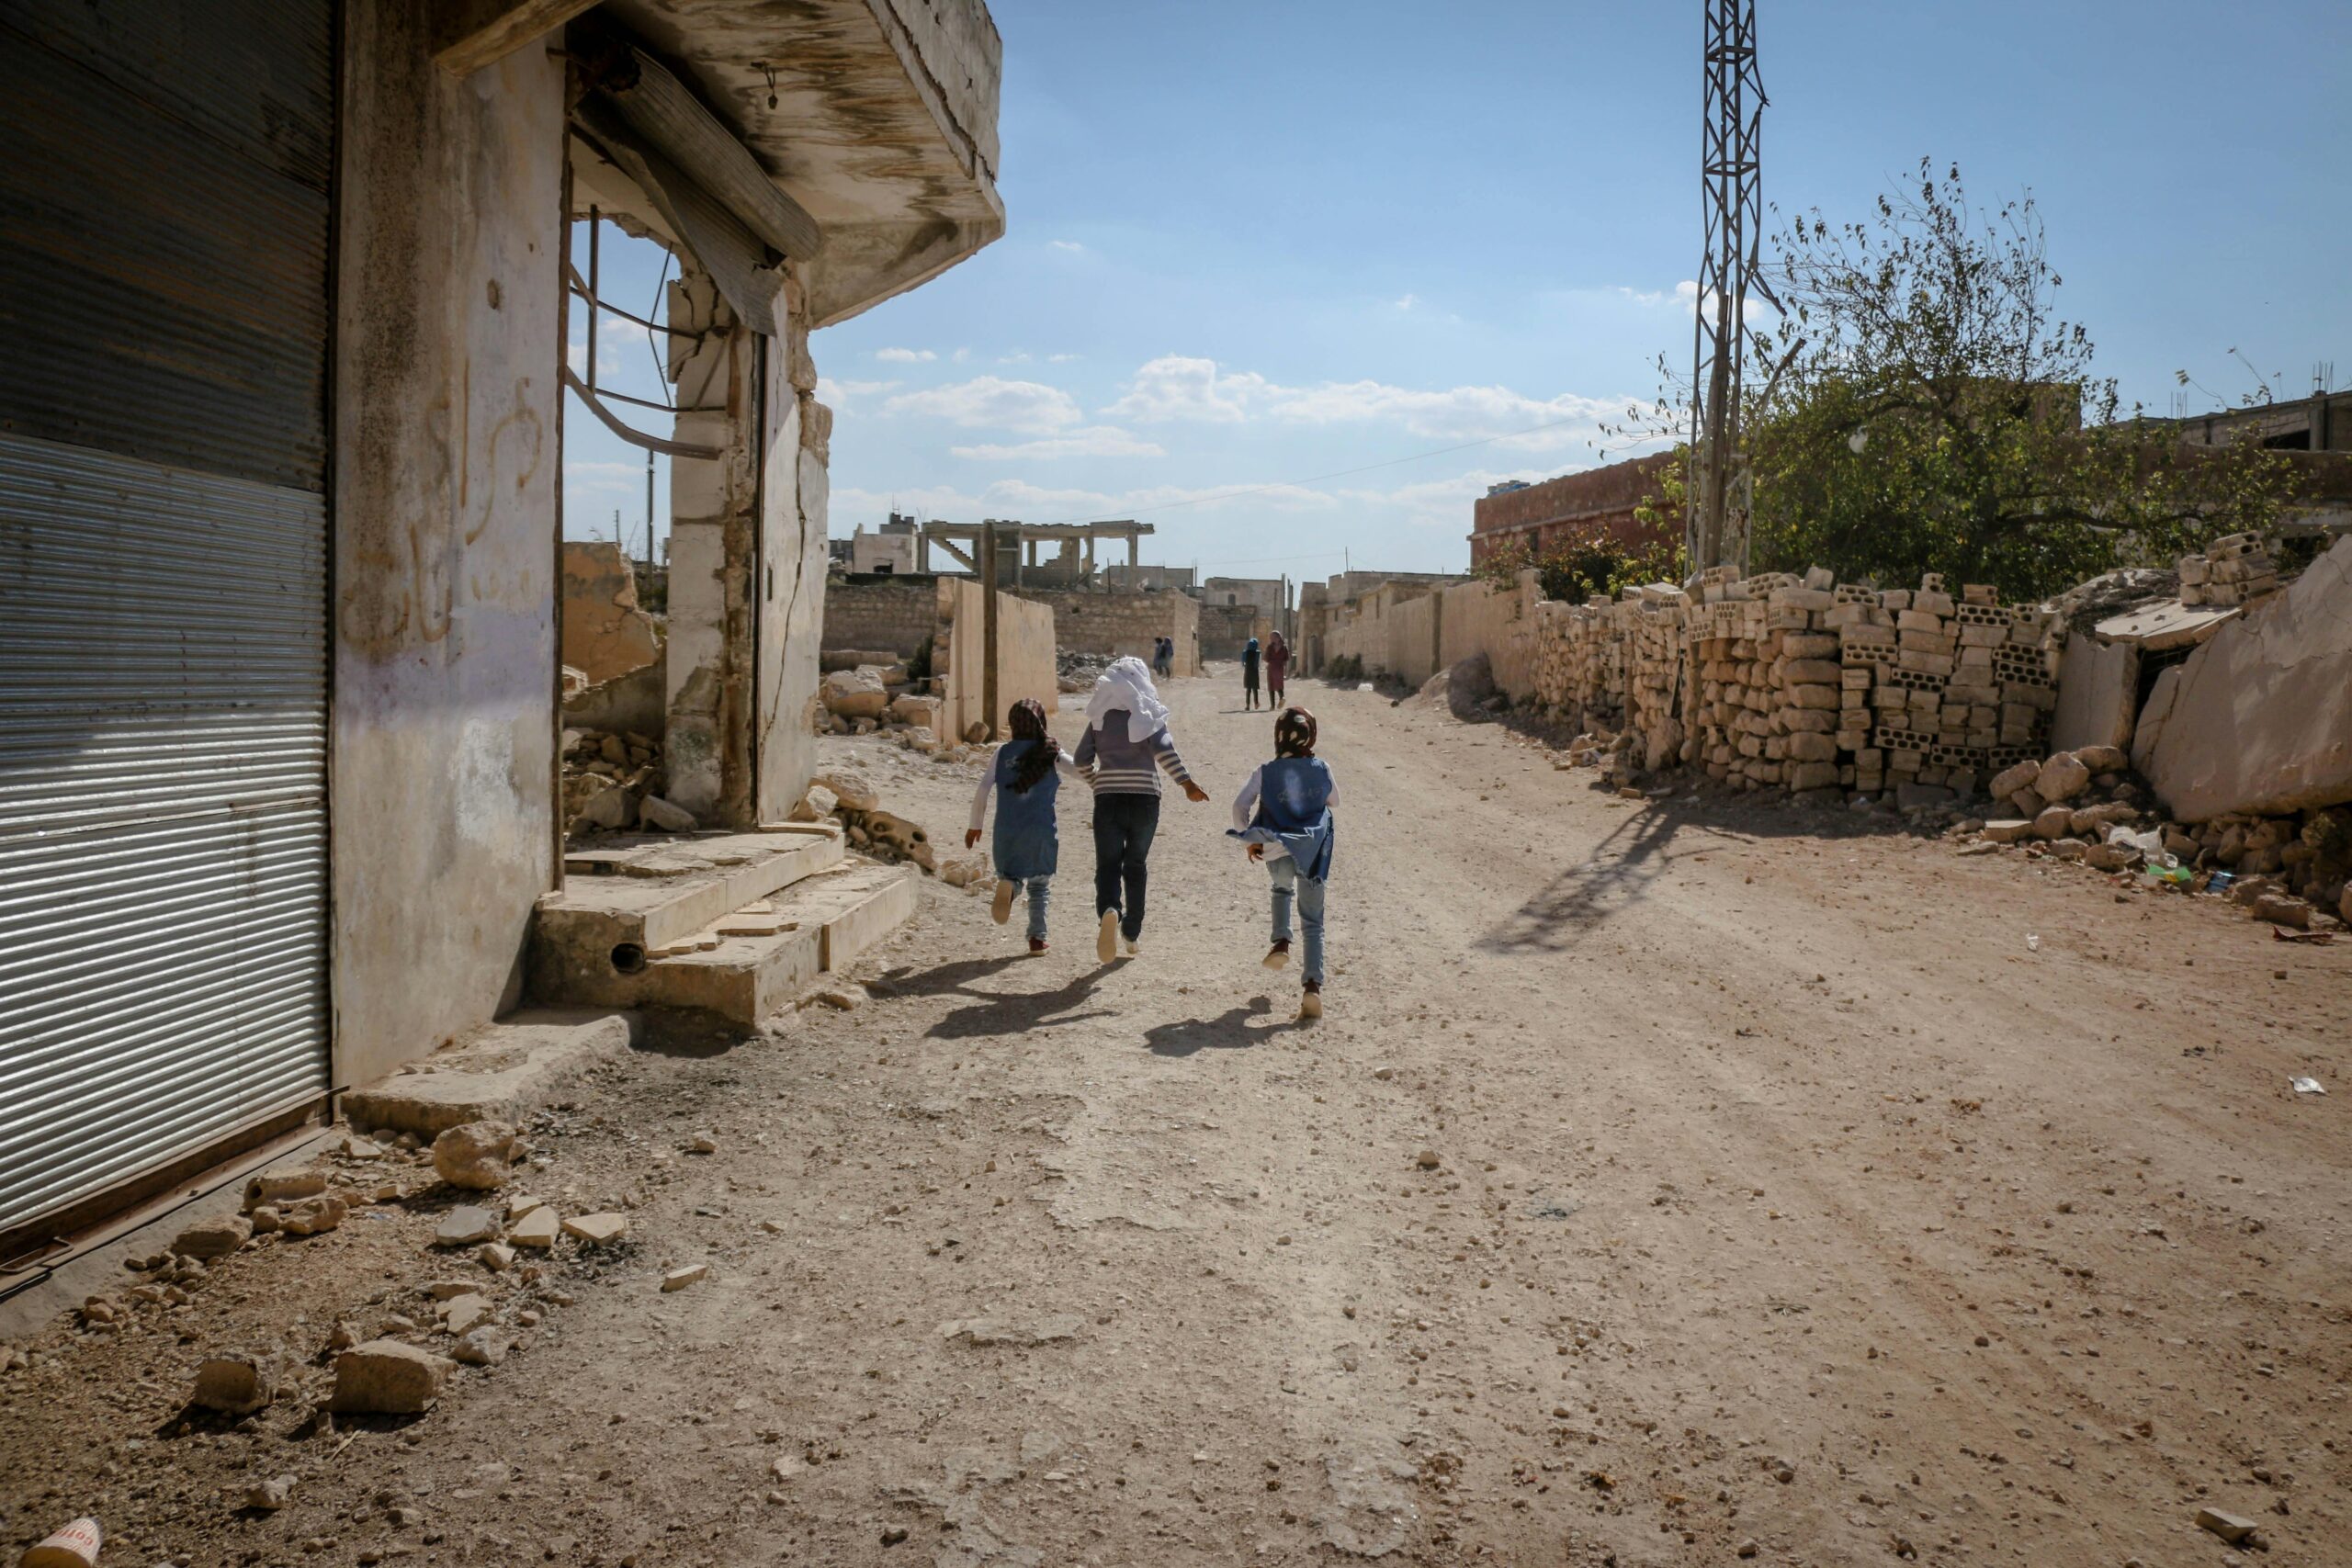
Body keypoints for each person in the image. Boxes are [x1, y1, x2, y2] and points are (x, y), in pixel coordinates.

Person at [1074, 657, 1208, 963]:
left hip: (1107, 799)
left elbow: (1082, 760)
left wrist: (1098, 782)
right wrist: (1186, 784)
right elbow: (1165, 751)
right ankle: (1131, 932)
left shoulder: (1099, 717)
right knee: (1135, 865)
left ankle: (1109, 909)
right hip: (1146, 799)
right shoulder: (1148, 715)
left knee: (1107, 864)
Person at [1229, 705, 1337, 1021]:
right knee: (1314, 921)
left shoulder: (1265, 771)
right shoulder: (1321, 767)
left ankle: (1280, 941)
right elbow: (1335, 801)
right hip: (1312, 854)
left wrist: (1251, 841)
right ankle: (1312, 987)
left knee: (1280, 889)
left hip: (1276, 850)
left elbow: (1239, 807)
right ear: (1310, 735)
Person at [965, 698, 1089, 954]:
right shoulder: (1051, 752)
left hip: (1006, 830)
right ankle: (1036, 939)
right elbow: (1080, 771)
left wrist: (975, 825)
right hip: (1040, 830)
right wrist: (1105, 778)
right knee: (1040, 885)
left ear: (1012, 724)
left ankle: (1010, 889)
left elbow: (983, 788)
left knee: (1010, 873)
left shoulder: (1002, 753)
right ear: (1040, 721)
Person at [1264, 629, 1290, 706]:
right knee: (1279, 684)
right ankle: (1282, 697)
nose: (1270, 638)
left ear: (1277, 637)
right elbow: (1286, 659)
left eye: (1271, 637)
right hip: (1280, 668)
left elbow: (1266, 658)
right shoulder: (1284, 647)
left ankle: (1272, 706)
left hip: (1272, 667)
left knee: (1271, 686)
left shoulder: (1270, 647)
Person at [1240, 635, 1262, 711]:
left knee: (1248, 690)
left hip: (1248, 672)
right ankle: (1256, 703)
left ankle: (1247, 705)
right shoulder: (1258, 653)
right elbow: (1259, 664)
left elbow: (1243, 664)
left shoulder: (1245, 652)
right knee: (1255, 689)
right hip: (1255, 672)